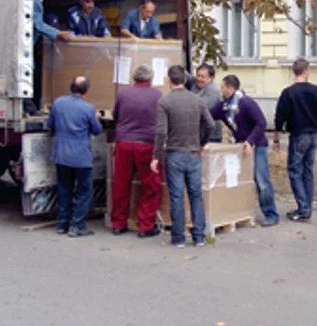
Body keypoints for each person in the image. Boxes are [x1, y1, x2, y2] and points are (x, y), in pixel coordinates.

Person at [150, 66, 215, 248]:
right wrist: (201, 143)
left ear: (169, 80)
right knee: (196, 195)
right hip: (194, 153)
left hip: (174, 153)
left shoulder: (164, 102)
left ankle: (178, 237)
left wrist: (156, 156)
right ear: (185, 81)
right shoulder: (197, 100)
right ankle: (199, 236)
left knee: (177, 196)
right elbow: (210, 124)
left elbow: (161, 131)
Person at [210, 75, 280, 227]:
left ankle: (271, 214)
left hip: (257, 146)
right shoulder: (224, 107)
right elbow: (208, 115)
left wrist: (250, 141)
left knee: (261, 180)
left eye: (222, 87)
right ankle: (241, 210)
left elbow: (261, 122)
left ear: (230, 88)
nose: (220, 90)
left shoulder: (246, 103)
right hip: (240, 147)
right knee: (240, 180)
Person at [273, 58, 317, 222]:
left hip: (298, 135)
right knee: (307, 170)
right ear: (306, 71)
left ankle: (303, 208)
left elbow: (280, 116)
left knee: (294, 171)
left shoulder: (288, 93)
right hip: (314, 134)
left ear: (294, 71)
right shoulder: (316, 91)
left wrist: (277, 138)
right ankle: (306, 206)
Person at [110, 64, 163, 237]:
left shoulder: (123, 93)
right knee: (150, 185)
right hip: (146, 144)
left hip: (124, 142)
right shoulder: (157, 96)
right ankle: (145, 226)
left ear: (134, 78)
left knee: (121, 184)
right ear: (150, 79)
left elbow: (115, 115)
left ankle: (118, 223)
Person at [47, 76, 103, 238]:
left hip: (61, 154)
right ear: (86, 91)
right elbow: (96, 130)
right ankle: (77, 225)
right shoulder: (88, 109)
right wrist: (96, 117)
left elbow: (50, 124)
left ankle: (62, 224)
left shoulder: (58, 103)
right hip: (80, 157)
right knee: (84, 191)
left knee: (64, 188)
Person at [29, 0, 72, 115]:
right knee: (28, 72)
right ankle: (29, 107)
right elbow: (37, 24)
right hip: (27, 46)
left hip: (31, 45)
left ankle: (31, 106)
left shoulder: (37, 2)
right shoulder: (34, 2)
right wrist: (57, 33)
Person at [192, 63, 223, 143]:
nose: (199, 79)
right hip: (198, 134)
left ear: (211, 78)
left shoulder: (213, 92)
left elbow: (199, 110)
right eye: (198, 75)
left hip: (210, 137)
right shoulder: (195, 85)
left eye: (203, 77)